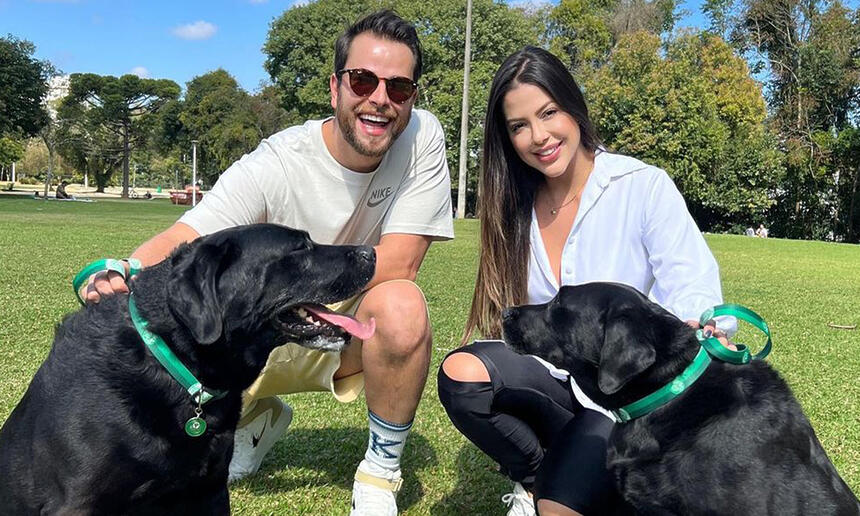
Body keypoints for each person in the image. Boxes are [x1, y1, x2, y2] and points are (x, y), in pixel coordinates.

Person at [80, 10, 453, 515]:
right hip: (259, 338)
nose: (380, 100)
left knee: (402, 304)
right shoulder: (276, 163)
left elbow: (402, 262)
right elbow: (188, 236)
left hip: (345, 328)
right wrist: (124, 270)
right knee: (201, 333)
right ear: (335, 87)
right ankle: (256, 416)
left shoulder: (421, 137)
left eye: (400, 88)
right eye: (363, 80)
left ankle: (380, 474)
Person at [437, 46, 733, 516]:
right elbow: (515, 323)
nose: (539, 136)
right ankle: (534, 478)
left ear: (573, 106)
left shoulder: (641, 185)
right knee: (463, 375)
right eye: (518, 126)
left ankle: (588, 480)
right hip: (555, 384)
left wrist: (703, 324)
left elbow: (692, 286)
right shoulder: (513, 208)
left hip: (625, 400)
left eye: (548, 113)